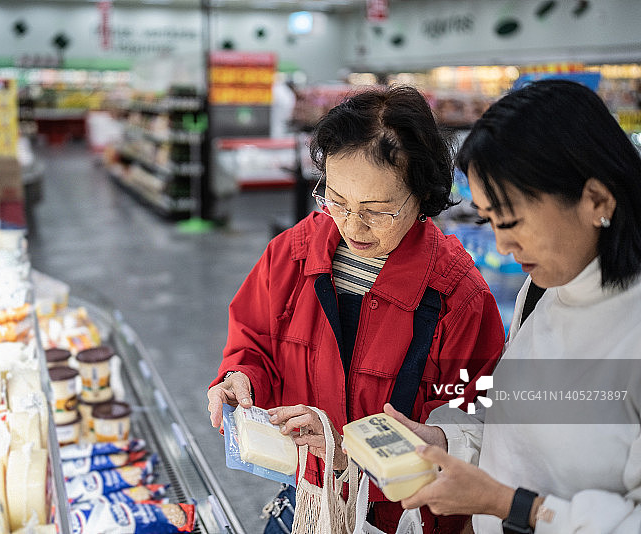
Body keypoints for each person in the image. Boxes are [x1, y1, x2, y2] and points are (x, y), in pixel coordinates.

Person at [206, 85, 506, 533]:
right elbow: (254, 343)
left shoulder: (457, 298)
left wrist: (353, 452)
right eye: (338, 202)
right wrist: (240, 379)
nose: (352, 225)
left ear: (423, 195)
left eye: (377, 210)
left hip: (407, 518)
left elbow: (474, 428)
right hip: (306, 498)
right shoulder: (292, 256)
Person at [387, 79, 641, 533]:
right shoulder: (544, 289)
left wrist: (510, 506)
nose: (502, 244)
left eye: (512, 220)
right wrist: (444, 438)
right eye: (490, 220)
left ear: (596, 199)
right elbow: (514, 411)